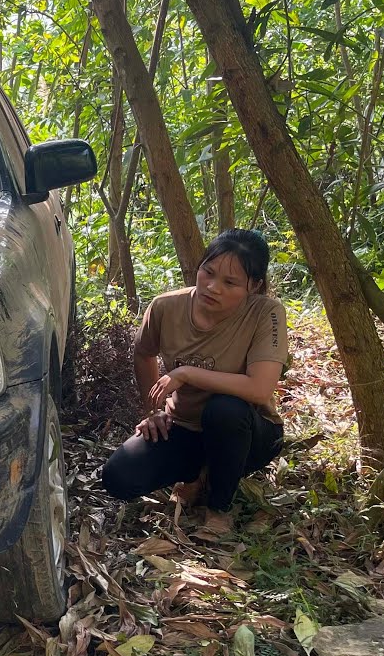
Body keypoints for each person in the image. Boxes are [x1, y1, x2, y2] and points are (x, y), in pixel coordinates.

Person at [100, 229, 288, 538]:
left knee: (224, 409)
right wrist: (153, 412)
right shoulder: (166, 307)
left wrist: (187, 373)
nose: (213, 287)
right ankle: (201, 472)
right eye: (208, 272)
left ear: (254, 286)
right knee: (119, 477)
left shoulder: (266, 313)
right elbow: (143, 352)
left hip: (249, 432)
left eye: (230, 283)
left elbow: (259, 388)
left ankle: (219, 507)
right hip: (185, 426)